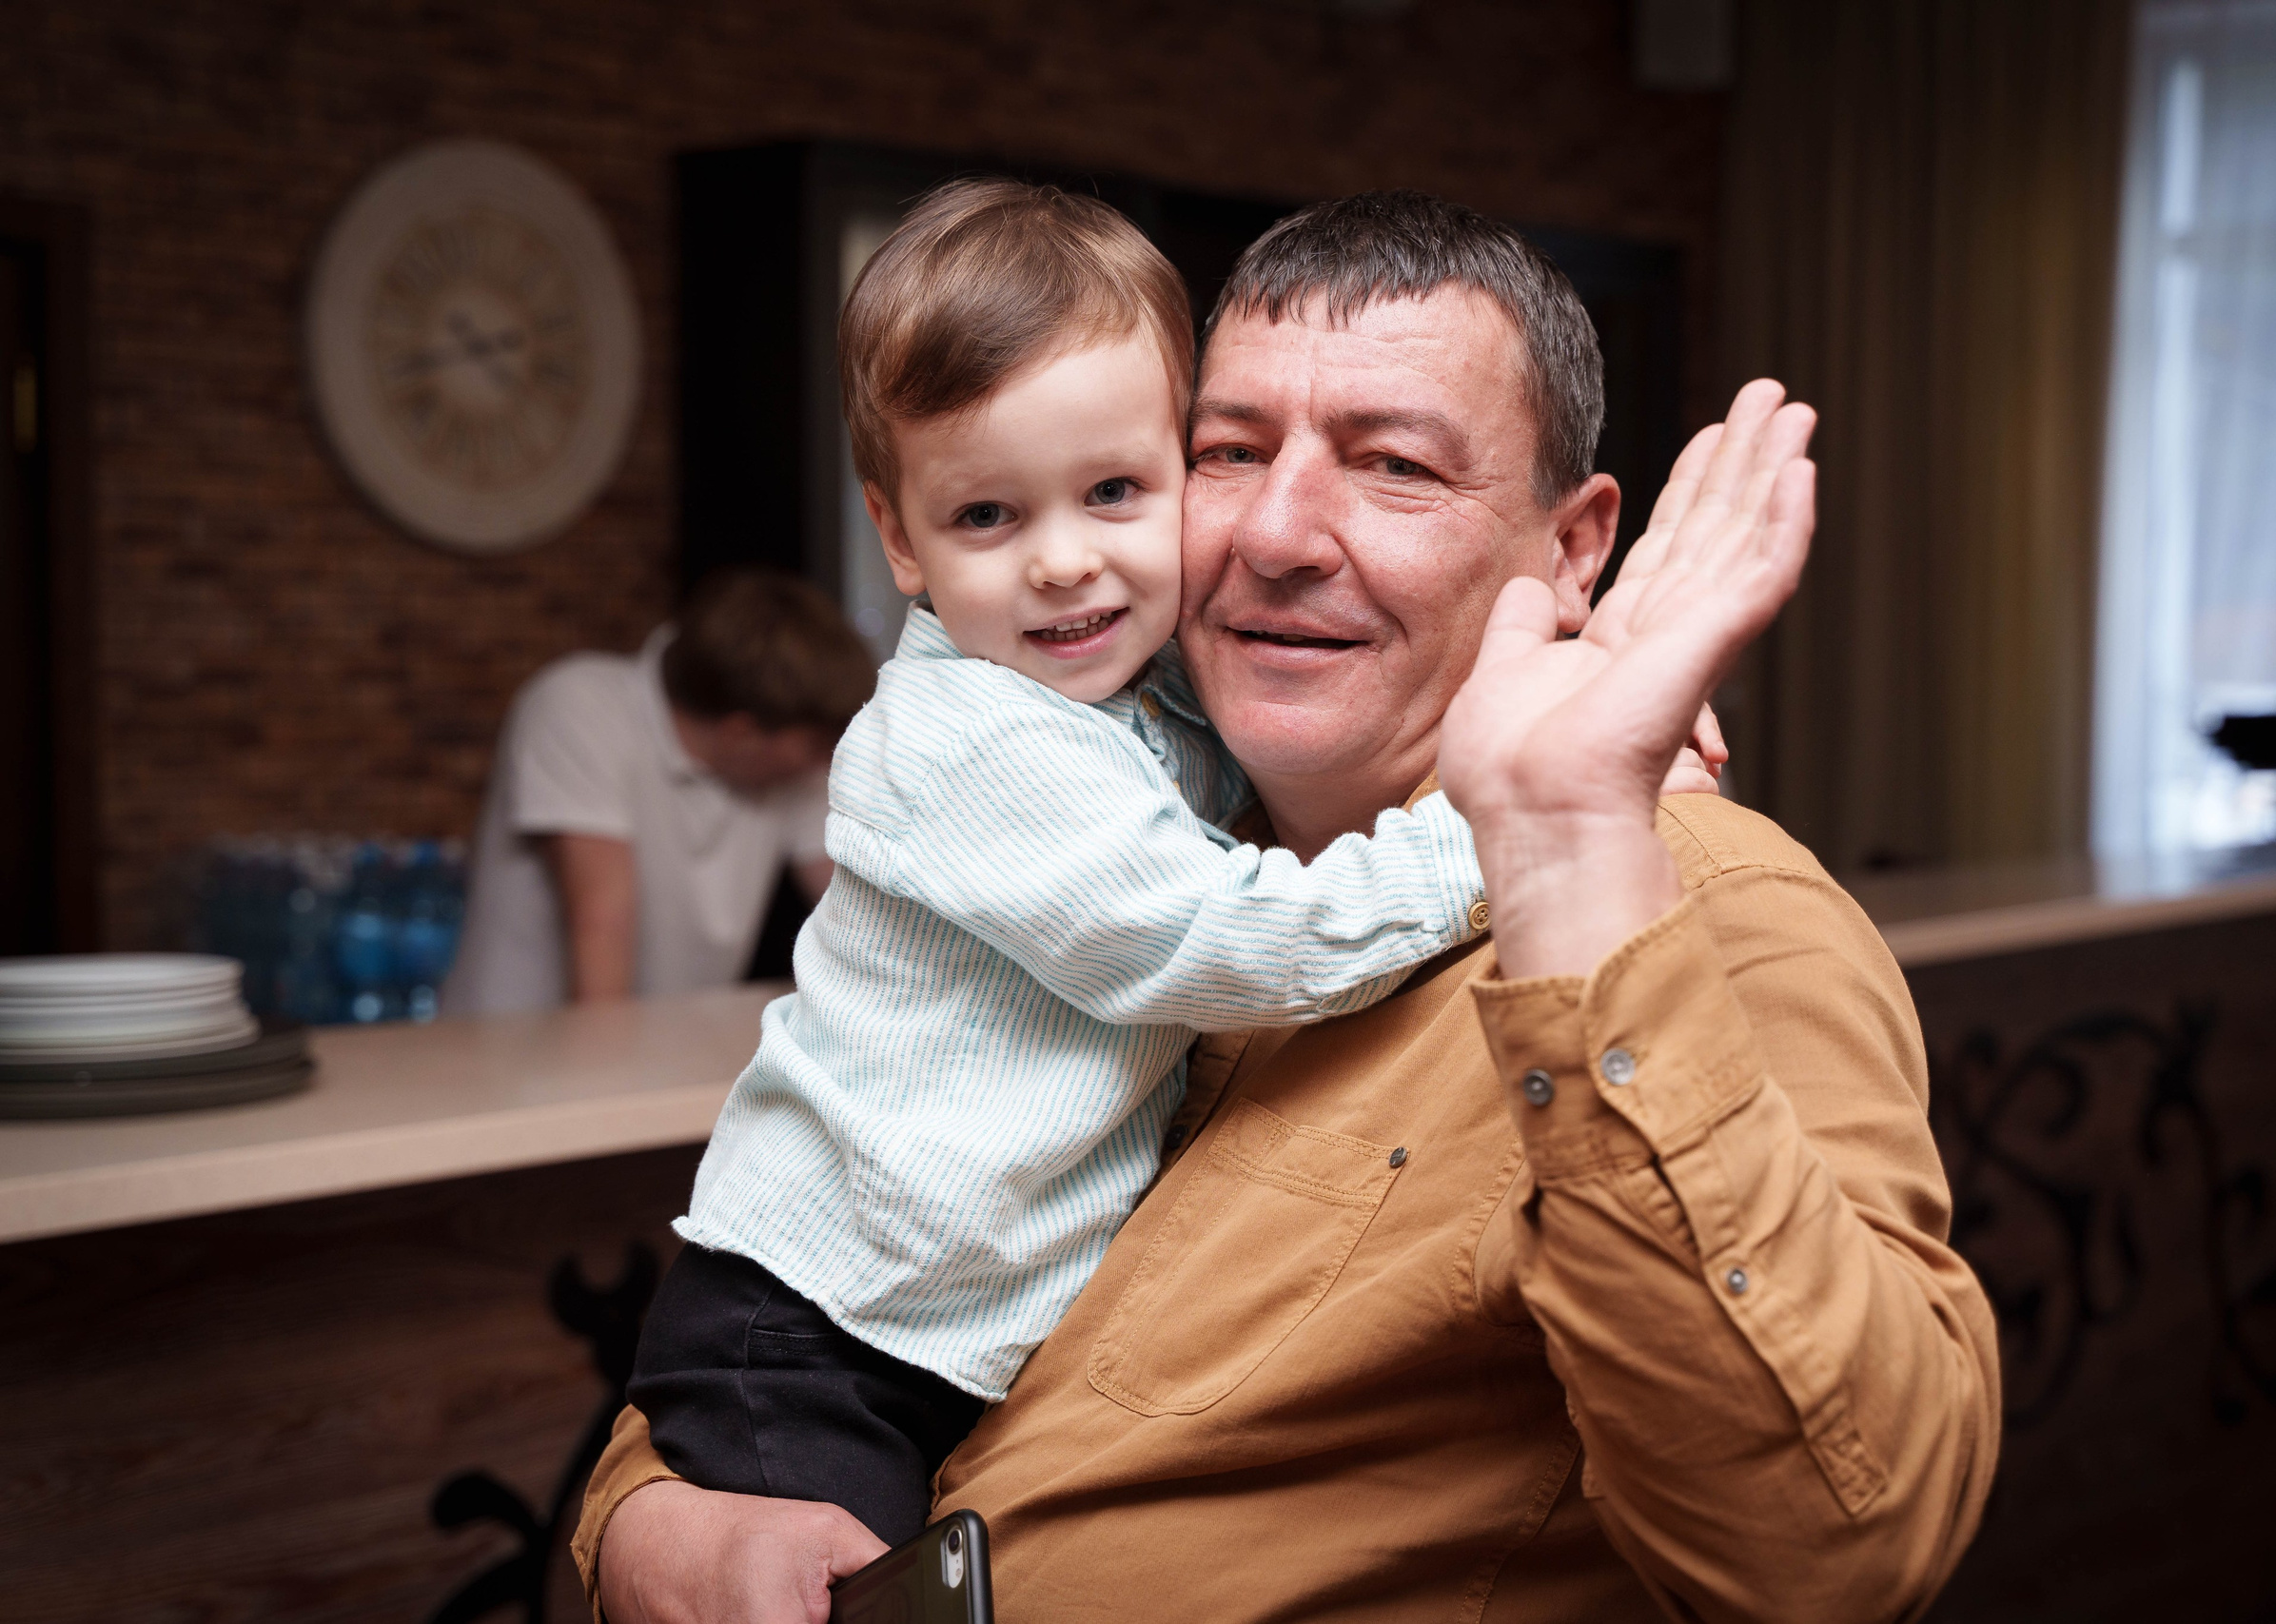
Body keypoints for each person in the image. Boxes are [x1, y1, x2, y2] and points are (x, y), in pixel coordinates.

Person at [580, 191, 2002, 1622]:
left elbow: (1838, 1549)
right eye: (1227, 453)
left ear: (1571, 551)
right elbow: (834, 1291)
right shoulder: (1135, 822)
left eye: (1392, 466)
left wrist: (1562, 843)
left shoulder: (1710, 909)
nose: (1274, 531)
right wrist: (648, 1525)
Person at [630, 178, 1565, 1549]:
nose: (1068, 563)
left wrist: (1580, 677)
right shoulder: (972, 741)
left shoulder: (1135, 685)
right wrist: (1504, 815)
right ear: (900, 538)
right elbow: (1226, 940)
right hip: (825, 1334)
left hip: (938, 1323)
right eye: (989, 519)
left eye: (1117, 491)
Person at [440, 570, 876, 1016]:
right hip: (506, 1061)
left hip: (662, 1053)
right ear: (741, 734)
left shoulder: (787, 759)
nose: (828, 759)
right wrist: (612, 1082)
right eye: (819, 745)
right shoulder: (578, 707)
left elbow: (863, 920)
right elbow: (602, 928)